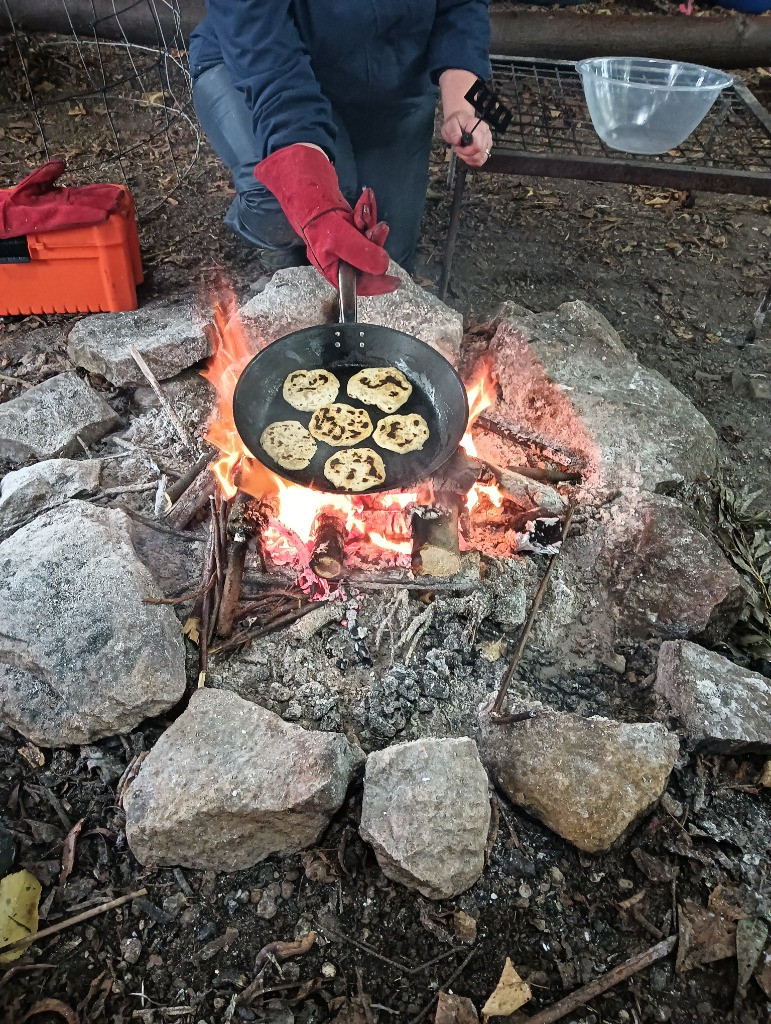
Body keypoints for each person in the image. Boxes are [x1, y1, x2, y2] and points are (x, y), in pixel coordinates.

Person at [189, 1, 492, 293]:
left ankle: (304, 233)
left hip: (394, 83)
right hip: (262, 65)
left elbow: (462, 6)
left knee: (382, 266)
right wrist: (311, 194)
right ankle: (278, 236)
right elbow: (265, 56)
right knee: (294, 200)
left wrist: (462, 108)